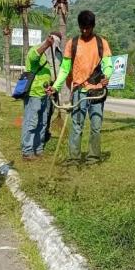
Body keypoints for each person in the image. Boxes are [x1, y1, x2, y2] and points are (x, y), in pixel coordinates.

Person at [47, 10, 113, 163]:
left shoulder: (101, 43)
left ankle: (93, 157)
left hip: (96, 91)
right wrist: (55, 87)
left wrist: (106, 77)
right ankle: (73, 158)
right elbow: (64, 69)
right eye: (82, 28)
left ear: (93, 26)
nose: (85, 31)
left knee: (96, 126)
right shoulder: (73, 43)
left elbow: (108, 64)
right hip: (78, 92)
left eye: (88, 28)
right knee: (77, 126)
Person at [21, 31, 62, 160]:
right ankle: (27, 151)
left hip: (46, 94)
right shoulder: (36, 50)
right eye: (53, 42)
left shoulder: (51, 58)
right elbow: (33, 57)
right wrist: (46, 45)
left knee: (43, 123)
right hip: (34, 94)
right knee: (31, 122)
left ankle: (38, 149)